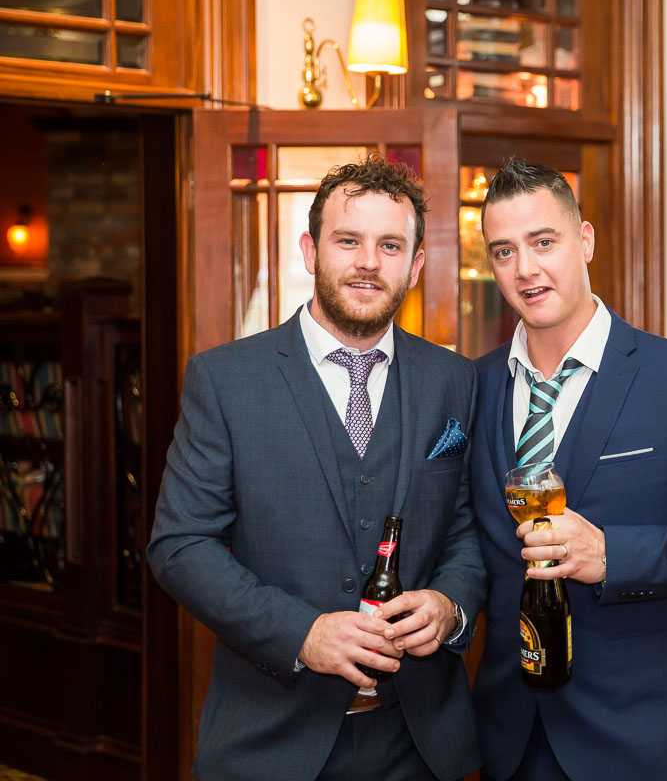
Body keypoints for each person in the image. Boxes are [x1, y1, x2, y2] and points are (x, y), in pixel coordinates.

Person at [147, 154, 484, 781]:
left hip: (420, 742)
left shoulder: (453, 380)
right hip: (269, 741)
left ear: (414, 266)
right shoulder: (226, 380)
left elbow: (465, 529)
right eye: (347, 240)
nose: (367, 262)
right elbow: (180, 546)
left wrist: (450, 605)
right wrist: (301, 633)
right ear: (309, 250)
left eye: (389, 246)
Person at [469, 158, 667, 781]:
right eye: (504, 251)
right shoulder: (472, 386)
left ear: (584, 240)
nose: (526, 269)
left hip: (635, 736)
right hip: (506, 736)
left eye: (544, 242)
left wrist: (611, 554)